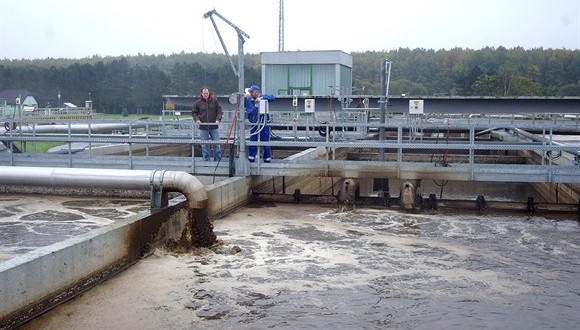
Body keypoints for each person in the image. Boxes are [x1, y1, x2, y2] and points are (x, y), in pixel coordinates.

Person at [244, 85, 276, 163]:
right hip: (255, 124)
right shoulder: (249, 100)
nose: (251, 93)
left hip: (264, 124)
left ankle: (267, 160)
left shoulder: (262, 97)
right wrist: (256, 104)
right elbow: (250, 112)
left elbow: (272, 97)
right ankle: (251, 160)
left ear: (258, 92)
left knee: (265, 142)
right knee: (253, 142)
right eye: (251, 92)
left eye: (253, 92)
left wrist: (261, 98)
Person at [193, 87, 223, 161]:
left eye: (207, 93)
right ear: (201, 94)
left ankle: (217, 160)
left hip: (214, 126)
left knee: (217, 144)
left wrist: (218, 120)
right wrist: (197, 120)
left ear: (209, 93)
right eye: (204, 93)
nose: (206, 95)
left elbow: (219, 111)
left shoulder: (215, 102)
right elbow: (194, 113)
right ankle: (206, 161)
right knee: (204, 145)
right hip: (203, 127)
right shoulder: (198, 103)